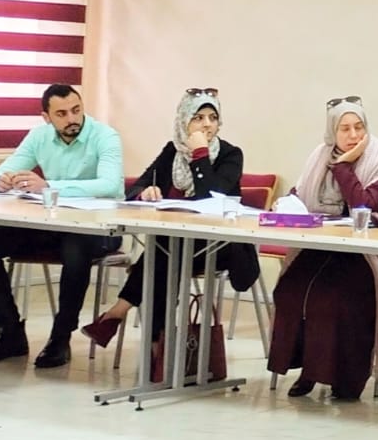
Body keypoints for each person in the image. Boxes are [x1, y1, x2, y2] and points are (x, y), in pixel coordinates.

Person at [80, 89, 259, 347]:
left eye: (213, 118)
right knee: (165, 251)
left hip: (220, 245)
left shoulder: (230, 155)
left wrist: (200, 155)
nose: (207, 125)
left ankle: (126, 321)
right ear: (183, 121)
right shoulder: (172, 151)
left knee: (162, 252)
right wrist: (145, 192)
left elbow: (210, 197)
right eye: (198, 118)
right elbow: (136, 187)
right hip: (177, 243)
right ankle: (157, 345)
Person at [0, 83, 123, 369]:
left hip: (100, 229)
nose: (72, 119)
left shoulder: (105, 136)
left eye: (76, 110)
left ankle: (60, 337)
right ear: (46, 117)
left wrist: (49, 186)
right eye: (62, 114)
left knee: (75, 246)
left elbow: (109, 185)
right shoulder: (38, 136)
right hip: (53, 225)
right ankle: (10, 333)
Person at [266, 98, 378, 401]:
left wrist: (342, 167)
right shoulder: (320, 155)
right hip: (320, 246)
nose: (354, 135)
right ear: (332, 132)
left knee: (332, 298)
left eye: (359, 127)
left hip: (365, 253)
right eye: (345, 129)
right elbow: (300, 193)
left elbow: (364, 206)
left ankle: (348, 378)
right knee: (289, 291)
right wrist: (287, 204)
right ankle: (308, 369)